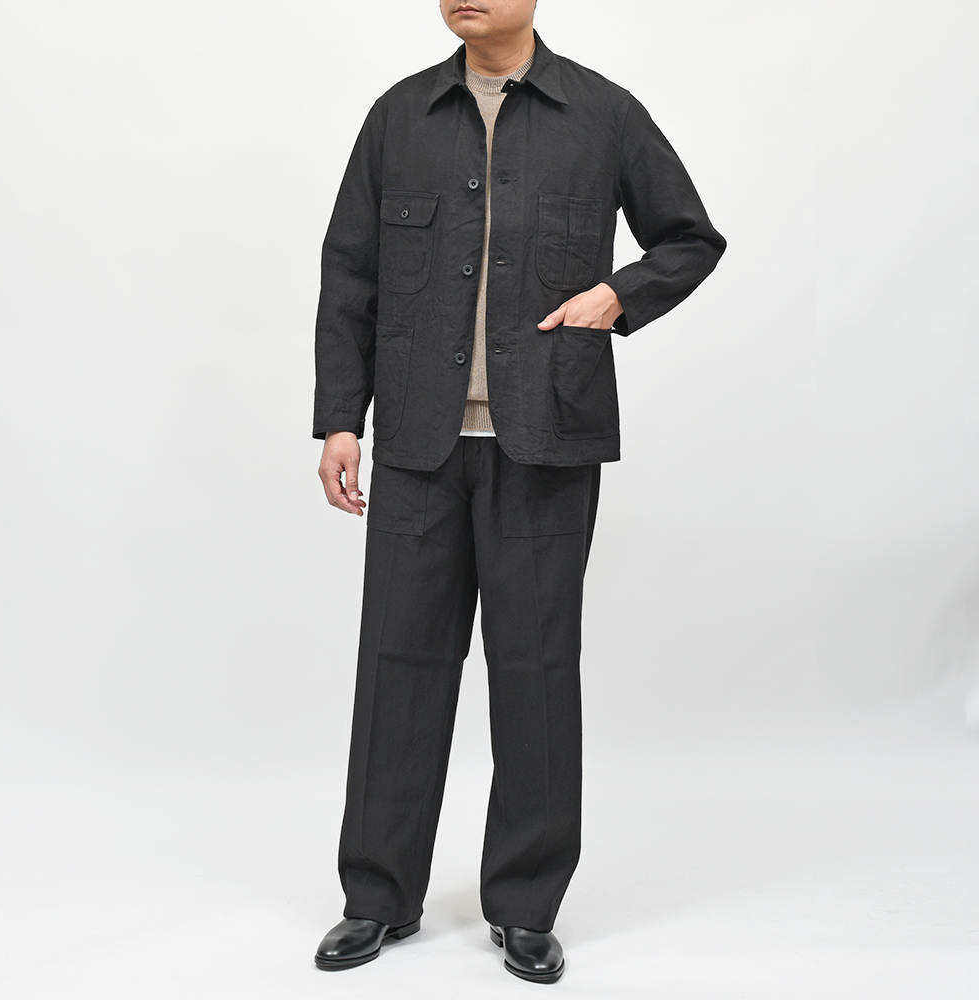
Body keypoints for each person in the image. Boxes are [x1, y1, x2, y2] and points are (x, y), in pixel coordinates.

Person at [311, 0, 726, 984]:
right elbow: (349, 274)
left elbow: (689, 238)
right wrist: (340, 419)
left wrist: (618, 295)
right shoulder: (398, 117)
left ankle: (527, 905)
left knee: (535, 671)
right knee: (398, 668)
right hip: (418, 447)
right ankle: (377, 897)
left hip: (544, 441)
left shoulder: (602, 114)